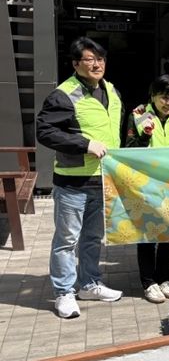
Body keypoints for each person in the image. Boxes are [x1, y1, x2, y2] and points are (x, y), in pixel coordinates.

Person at [36, 37, 124, 319]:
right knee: (67, 240)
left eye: (100, 59)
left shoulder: (111, 90)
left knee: (93, 237)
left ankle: (89, 284)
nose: (97, 64)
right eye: (90, 59)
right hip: (73, 181)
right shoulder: (64, 94)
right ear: (76, 64)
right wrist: (84, 144)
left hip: (103, 178)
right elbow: (45, 131)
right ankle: (64, 292)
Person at [126, 74, 169, 303]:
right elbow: (128, 150)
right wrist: (145, 136)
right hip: (146, 185)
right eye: (165, 98)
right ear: (153, 96)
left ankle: (164, 278)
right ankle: (148, 282)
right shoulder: (138, 116)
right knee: (147, 234)